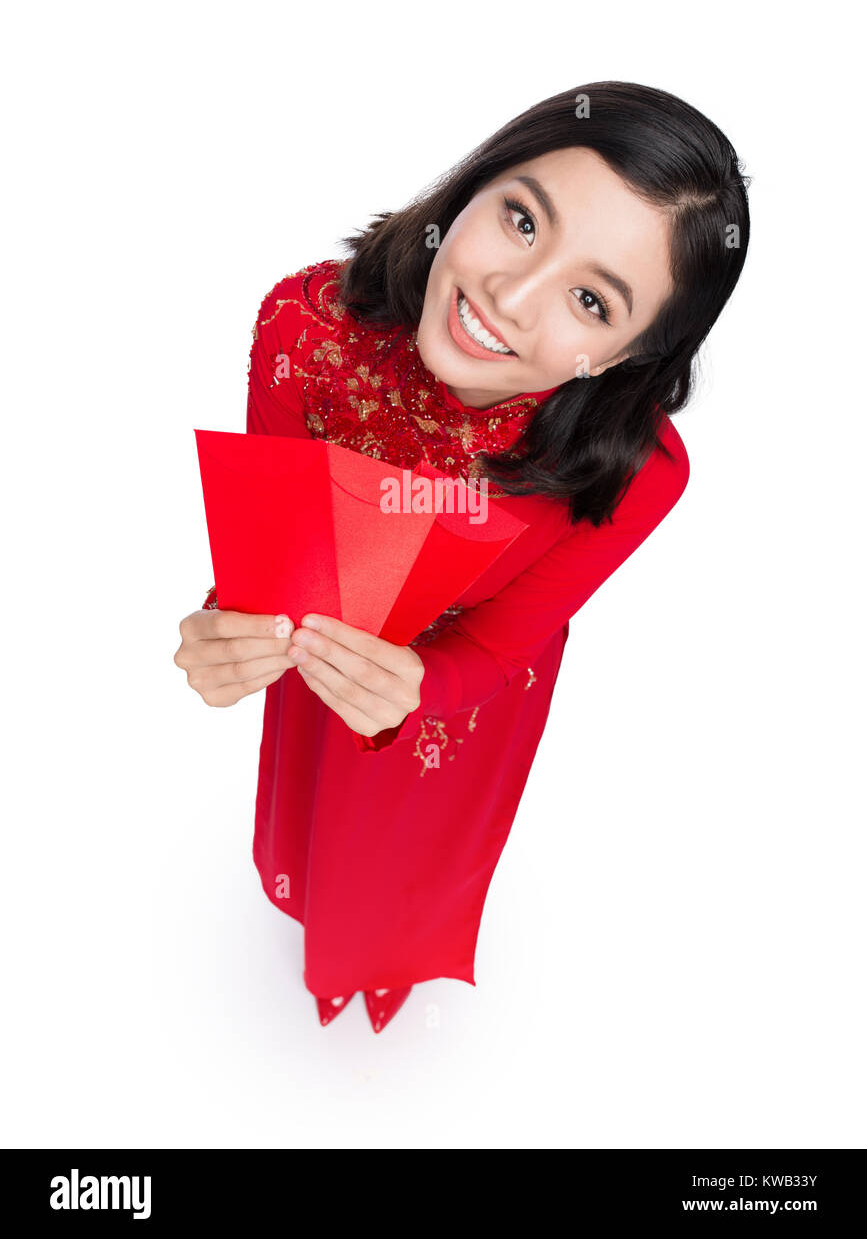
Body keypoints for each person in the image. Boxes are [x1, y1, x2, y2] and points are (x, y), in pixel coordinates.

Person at [174, 81, 751, 1033]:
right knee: (309, 812)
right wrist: (228, 629)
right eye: (522, 220)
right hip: (324, 669)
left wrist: (419, 689)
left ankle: (388, 954)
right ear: (473, 186)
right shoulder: (303, 333)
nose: (507, 298)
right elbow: (273, 557)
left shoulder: (632, 471)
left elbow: (505, 643)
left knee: (412, 850)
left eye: (588, 299)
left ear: (626, 356)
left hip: (464, 710)